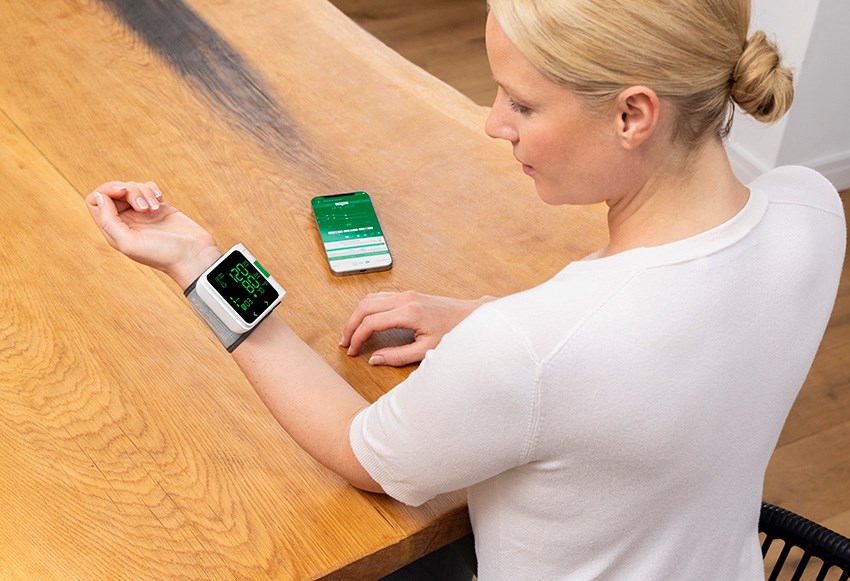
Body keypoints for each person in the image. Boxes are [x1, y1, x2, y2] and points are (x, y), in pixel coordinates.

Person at [87, 0, 846, 578]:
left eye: (522, 103)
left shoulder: (531, 351)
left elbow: (360, 453)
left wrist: (200, 264)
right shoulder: (810, 211)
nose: (493, 124)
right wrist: (485, 317)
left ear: (632, 114)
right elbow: (649, 335)